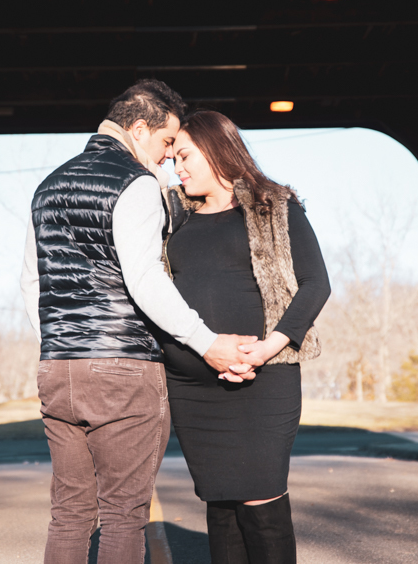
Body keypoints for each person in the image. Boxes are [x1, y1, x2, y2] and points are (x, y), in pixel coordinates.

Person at [20, 80, 258, 564]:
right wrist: (206, 341)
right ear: (139, 128)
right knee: (125, 515)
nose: (170, 157)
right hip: (123, 369)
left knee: (69, 514)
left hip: (56, 368)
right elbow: (144, 279)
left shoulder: (47, 186)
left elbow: (32, 283)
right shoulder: (135, 183)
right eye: (168, 142)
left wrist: (61, 346)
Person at [162, 110, 331, 564]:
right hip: (194, 389)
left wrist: (265, 349)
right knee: (220, 505)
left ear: (216, 150)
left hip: (264, 382)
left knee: (261, 500)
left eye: (184, 156)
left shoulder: (274, 206)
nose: (176, 167)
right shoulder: (173, 217)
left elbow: (316, 284)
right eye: (173, 157)